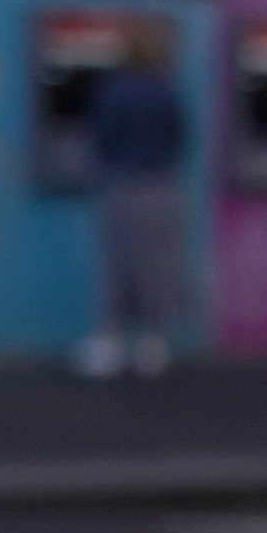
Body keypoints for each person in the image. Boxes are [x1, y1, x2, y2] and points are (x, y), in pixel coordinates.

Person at [76, 32, 193, 378]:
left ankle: (109, 344)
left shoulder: (115, 90)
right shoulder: (166, 90)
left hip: (122, 185)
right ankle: (151, 346)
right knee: (155, 263)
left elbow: (102, 137)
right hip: (161, 186)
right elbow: (179, 136)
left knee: (117, 263)